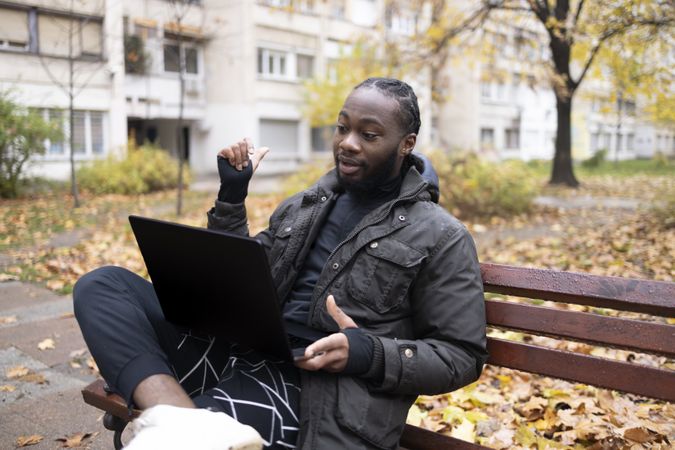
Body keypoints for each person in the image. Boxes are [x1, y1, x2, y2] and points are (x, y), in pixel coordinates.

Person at [74, 77, 487, 450]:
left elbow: (461, 356)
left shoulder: (441, 236)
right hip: (239, 351)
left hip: (315, 392)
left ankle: (180, 426)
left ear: (406, 143)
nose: (348, 142)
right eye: (343, 128)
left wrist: (368, 353)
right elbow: (236, 280)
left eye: (369, 134)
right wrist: (231, 198)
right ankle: (186, 424)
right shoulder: (305, 204)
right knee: (103, 286)